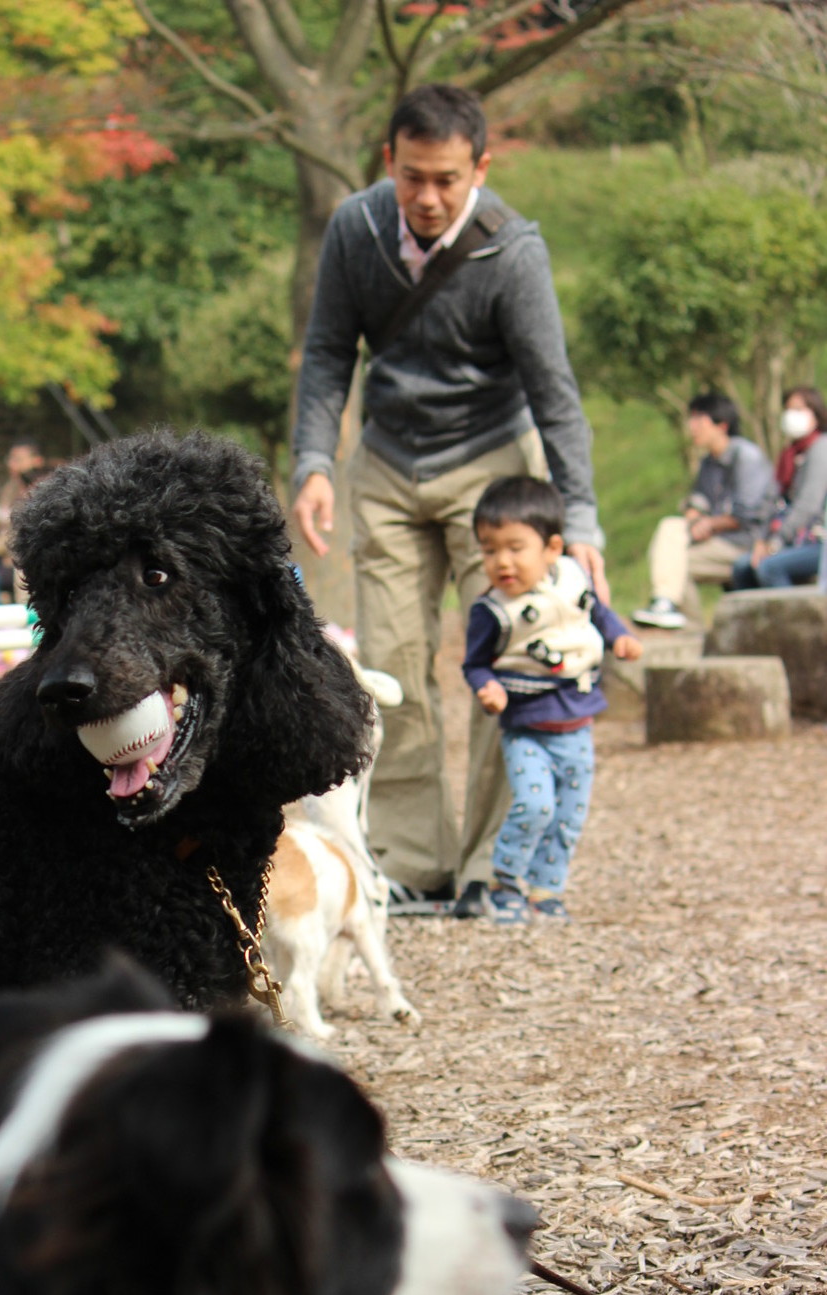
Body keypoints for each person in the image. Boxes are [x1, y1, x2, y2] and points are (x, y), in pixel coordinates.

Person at [292, 83, 604, 920]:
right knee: (393, 668)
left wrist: (576, 521)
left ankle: (491, 868)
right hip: (388, 463)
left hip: (489, 468)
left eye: (447, 181)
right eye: (412, 178)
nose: (428, 199)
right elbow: (326, 354)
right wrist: (315, 461)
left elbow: (553, 392)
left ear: (480, 168)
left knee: (509, 660)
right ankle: (412, 862)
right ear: (388, 163)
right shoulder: (356, 230)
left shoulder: (514, 252)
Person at [462, 476, 641, 923]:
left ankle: (546, 890)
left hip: (577, 723)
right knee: (534, 804)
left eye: (515, 547)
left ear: (552, 548)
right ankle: (505, 883)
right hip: (526, 727)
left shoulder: (571, 579)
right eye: (489, 550)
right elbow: (475, 663)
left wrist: (619, 637)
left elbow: (598, 612)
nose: (502, 561)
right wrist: (488, 686)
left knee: (567, 817)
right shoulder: (492, 610)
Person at [635, 392, 773, 630]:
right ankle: (681, 620)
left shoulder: (746, 457)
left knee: (675, 561)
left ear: (722, 425)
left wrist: (709, 524)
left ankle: (685, 624)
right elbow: (698, 501)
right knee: (672, 557)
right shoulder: (709, 462)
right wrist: (694, 515)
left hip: (748, 542)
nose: (692, 427)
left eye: (699, 420)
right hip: (720, 542)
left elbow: (747, 514)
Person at [728, 387, 827, 592]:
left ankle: (796, 622)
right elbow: (773, 502)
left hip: (816, 541)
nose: (791, 415)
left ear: (815, 413)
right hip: (792, 540)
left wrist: (776, 542)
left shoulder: (821, 449)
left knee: (769, 567)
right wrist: (763, 540)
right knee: (742, 568)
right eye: (788, 409)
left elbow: (808, 506)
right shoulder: (789, 456)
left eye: (799, 409)